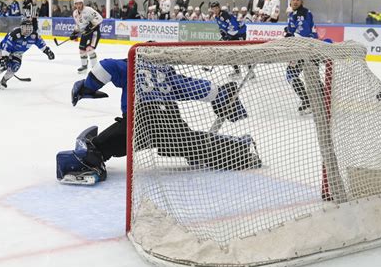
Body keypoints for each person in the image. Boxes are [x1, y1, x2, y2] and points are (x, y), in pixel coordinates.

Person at [58, 56, 261, 185]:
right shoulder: (167, 72)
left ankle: (89, 162)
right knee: (193, 145)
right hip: (169, 120)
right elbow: (193, 86)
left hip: (142, 118)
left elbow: (104, 67)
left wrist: (86, 87)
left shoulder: (132, 62)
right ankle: (239, 150)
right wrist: (218, 94)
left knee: (97, 150)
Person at [0, 19, 54, 90]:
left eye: (29, 28)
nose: (27, 30)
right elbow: (6, 46)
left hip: (18, 53)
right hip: (5, 49)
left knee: (15, 66)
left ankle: (4, 81)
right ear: (21, 27)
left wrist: (48, 52)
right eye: (25, 28)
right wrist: (4, 58)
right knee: (4, 66)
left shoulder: (34, 36)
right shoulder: (14, 34)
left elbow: (41, 44)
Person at [284, 0, 319, 115]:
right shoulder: (296, 13)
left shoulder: (301, 14)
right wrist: (288, 31)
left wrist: (290, 36)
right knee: (312, 78)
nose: (295, 2)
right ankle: (315, 102)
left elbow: (302, 33)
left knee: (292, 74)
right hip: (307, 48)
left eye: (297, 0)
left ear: (302, 1)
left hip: (305, 49)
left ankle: (308, 102)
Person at [210, 1, 252, 78]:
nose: (215, 10)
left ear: (219, 8)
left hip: (240, 33)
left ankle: (251, 73)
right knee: (230, 53)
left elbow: (234, 27)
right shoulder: (216, 17)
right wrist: (223, 35)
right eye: (213, 9)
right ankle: (237, 72)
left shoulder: (226, 15)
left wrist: (227, 37)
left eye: (216, 8)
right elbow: (221, 28)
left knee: (242, 53)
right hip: (232, 34)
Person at [70, 0, 103, 74]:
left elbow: (100, 18)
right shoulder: (75, 13)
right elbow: (79, 25)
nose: (78, 5)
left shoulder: (88, 10)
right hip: (85, 33)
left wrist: (90, 26)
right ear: (75, 5)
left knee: (89, 49)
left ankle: (95, 68)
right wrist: (74, 33)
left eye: (80, 3)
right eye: (76, 4)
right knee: (82, 50)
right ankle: (84, 67)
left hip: (94, 32)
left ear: (82, 3)